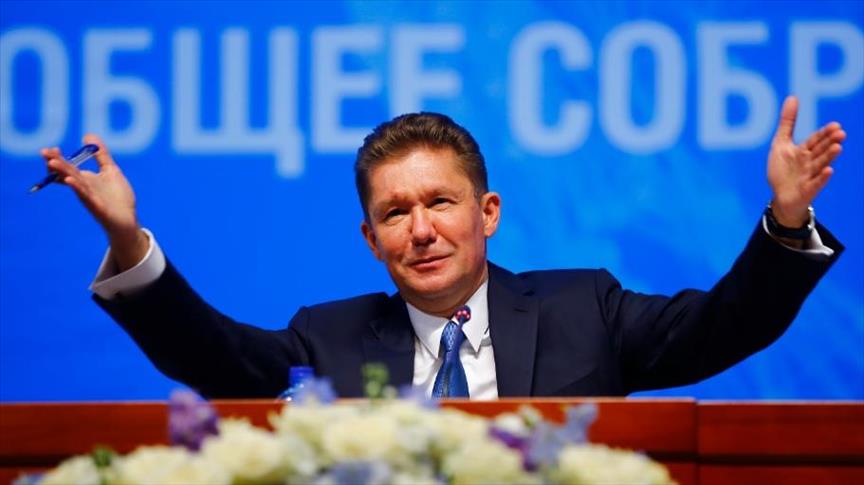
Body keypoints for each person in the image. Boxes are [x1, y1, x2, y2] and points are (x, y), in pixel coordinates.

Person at [41, 96, 845, 399]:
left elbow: (724, 327)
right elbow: (213, 356)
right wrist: (126, 239)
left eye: (439, 202)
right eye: (395, 213)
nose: (420, 229)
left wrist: (785, 220)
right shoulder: (327, 339)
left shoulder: (585, 308)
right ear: (371, 239)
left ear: (487, 212)